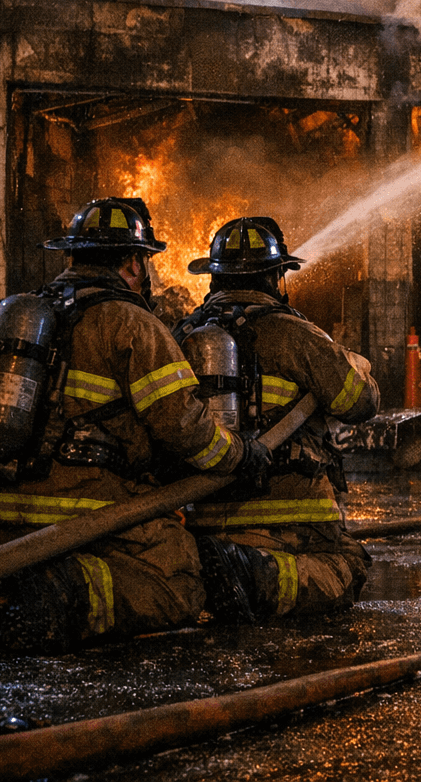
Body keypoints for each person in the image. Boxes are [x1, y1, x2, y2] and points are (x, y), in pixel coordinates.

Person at [0, 197, 263, 652]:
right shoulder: (133, 325)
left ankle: (18, 588)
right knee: (179, 581)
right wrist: (241, 453)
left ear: (72, 255)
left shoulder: (13, 316)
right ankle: (65, 591)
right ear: (135, 263)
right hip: (82, 520)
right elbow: (187, 430)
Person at [175, 217, 378, 623]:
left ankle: (231, 563)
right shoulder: (296, 335)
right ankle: (256, 575)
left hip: (200, 518)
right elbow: (361, 404)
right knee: (348, 565)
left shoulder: (180, 336)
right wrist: (353, 363)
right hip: (292, 521)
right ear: (275, 277)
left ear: (214, 278)